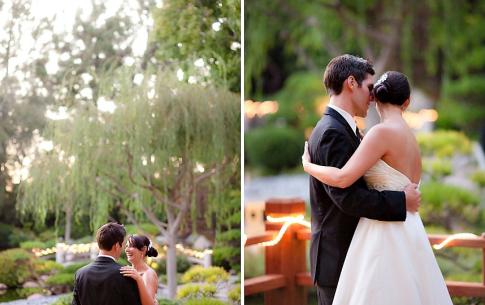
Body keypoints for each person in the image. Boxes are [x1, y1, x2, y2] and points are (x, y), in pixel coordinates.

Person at [303, 70, 452, 305]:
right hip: (410, 229)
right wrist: (402, 201)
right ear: (407, 102)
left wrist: (309, 166)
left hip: (383, 232)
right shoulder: (410, 138)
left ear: (376, 98)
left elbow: (343, 178)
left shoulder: (380, 133)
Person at [72, 222, 142, 305]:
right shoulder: (125, 273)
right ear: (116, 246)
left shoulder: (80, 273)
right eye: (123, 244)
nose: (123, 248)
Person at [120, 235, 160, 305]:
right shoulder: (128, 270)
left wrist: (139, 279)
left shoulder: (148, 274)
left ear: (143, 249)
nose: (126, 249)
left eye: (131, 246)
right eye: (127, 246)